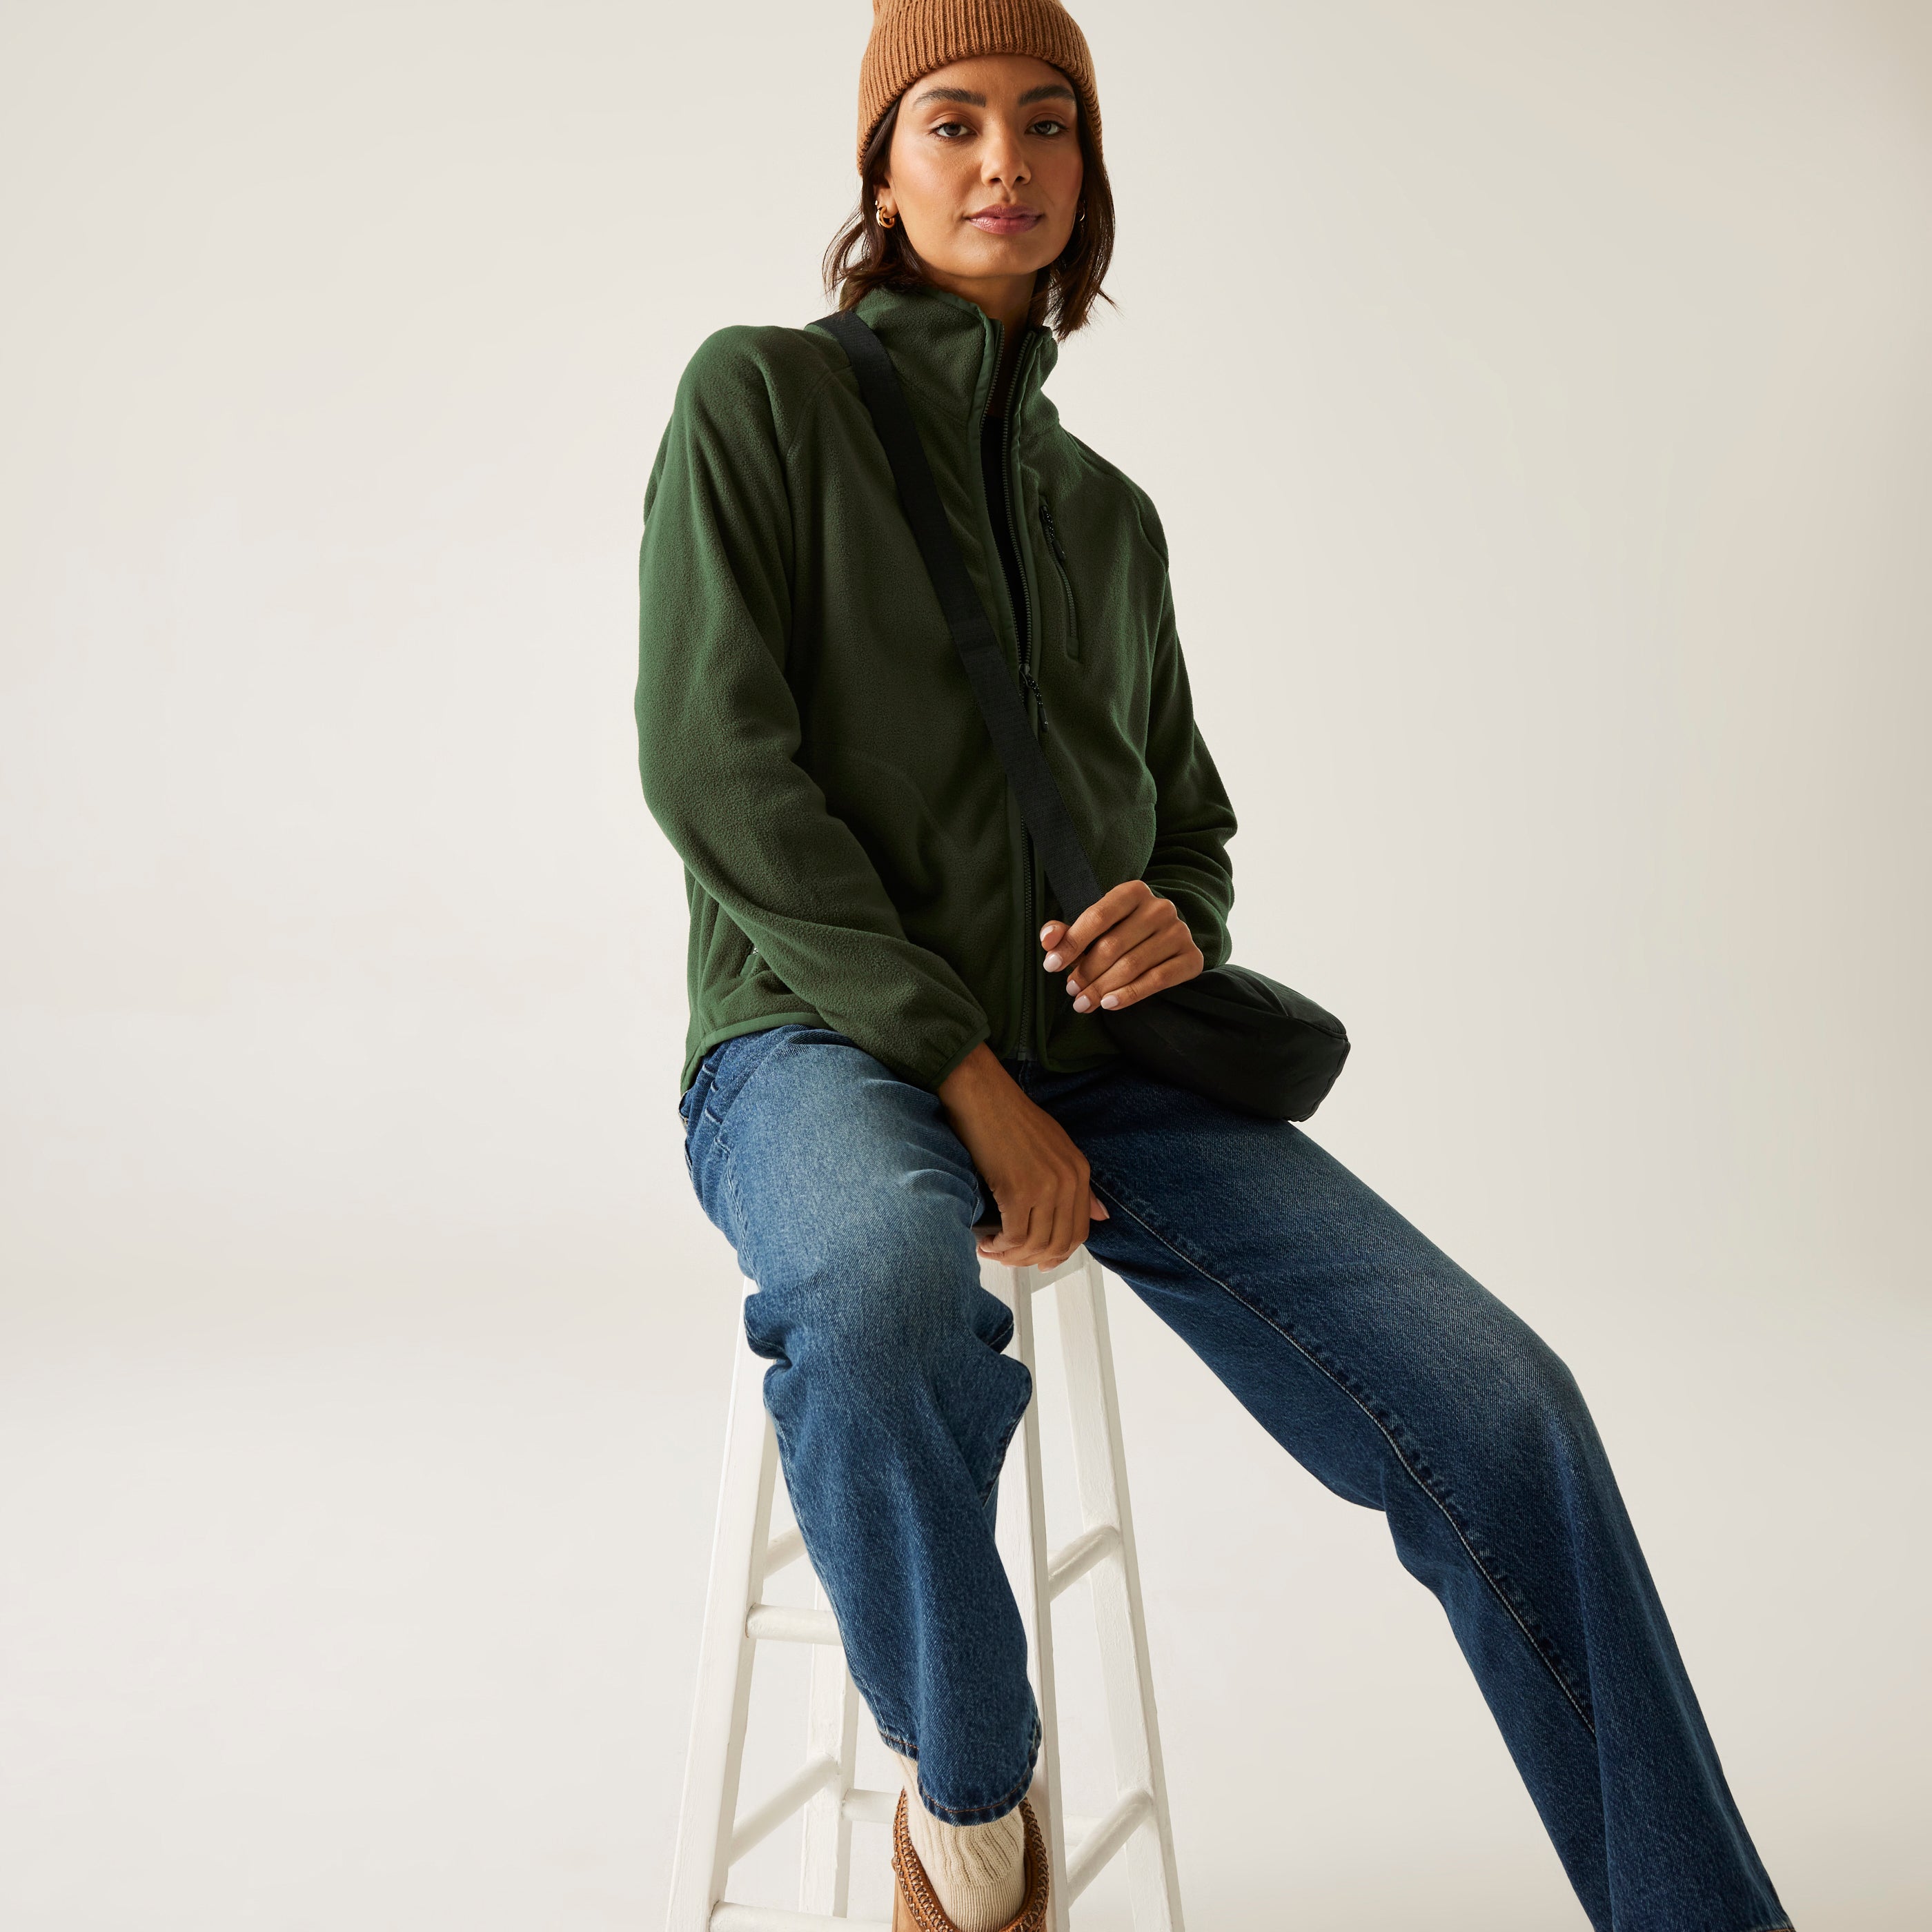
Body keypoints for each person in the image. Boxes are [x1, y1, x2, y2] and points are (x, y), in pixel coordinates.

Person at [636, 3, 1790, 1928]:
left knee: (1506, 1407)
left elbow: (1185, 826)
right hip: (816, 1044)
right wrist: (962, 1068)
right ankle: (976, 1817)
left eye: (1047, 124)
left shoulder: (1109, 522)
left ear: (1086, 174)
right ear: (883, 171)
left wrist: (1173, 917)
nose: (1003, 162)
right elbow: (717, 773)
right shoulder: (758, 399)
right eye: (952, 121)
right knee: (878, 1293)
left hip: (1106, 1065)